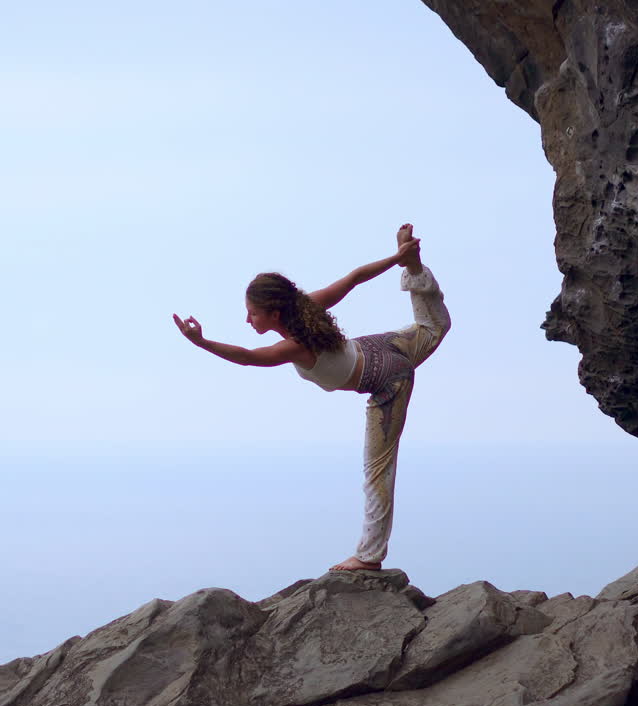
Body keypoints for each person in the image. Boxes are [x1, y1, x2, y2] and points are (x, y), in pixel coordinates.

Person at [172, 223, 451, 572]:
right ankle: (414, 268)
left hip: (387, 382)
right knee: (434, 327)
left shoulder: (294, 346)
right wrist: (398, 259)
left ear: (274, 313)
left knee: (377, 470)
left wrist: (202, 343)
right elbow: (354, 277)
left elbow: (248, 356)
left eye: (253, 313)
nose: (247, 319)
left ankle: (368, 557)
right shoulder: (308, 308)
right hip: (381, 347)